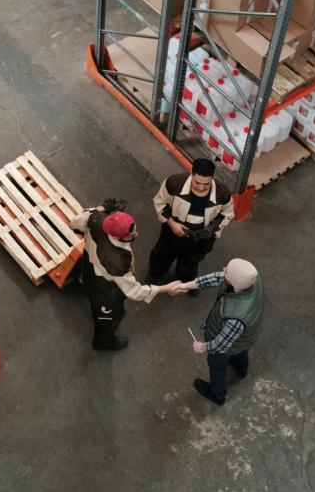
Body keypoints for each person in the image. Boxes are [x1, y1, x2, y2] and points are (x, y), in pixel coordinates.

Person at [71, 200, 182, 351]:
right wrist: (164, 288)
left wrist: (101, 208)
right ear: (117, 237)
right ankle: (103, 342)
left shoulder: (96, 218)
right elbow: (135, 291)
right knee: (109, 318)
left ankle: (96, 314)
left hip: (89, 272)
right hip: (106, 291)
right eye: (131, 235)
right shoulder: (116, 263)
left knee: (93, 299)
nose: (136, 234)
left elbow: (75, 222)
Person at [180, 258, 264, 406]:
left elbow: (221, 345)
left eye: (227, 271)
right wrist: (185, 286)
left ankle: (217, 394)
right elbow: (218, 277)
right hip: (246, 338)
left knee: (217, 366)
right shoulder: (253, 279)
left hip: (228, 344)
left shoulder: (235, 318)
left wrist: (203, 346)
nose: (224, 269)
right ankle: (241, 370)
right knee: (240, 351)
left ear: (234, 283)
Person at [146, 158, 234, 294]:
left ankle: (187, 282)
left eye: (206, 184)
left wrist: (213, 228)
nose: (201, 187)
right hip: (172, 233)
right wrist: (172, 223)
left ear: (212, 177)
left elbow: (227, 213)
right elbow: (160, 203)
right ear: (191, 174)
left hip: (200, 238)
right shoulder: (174, 184)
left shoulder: (223, 194)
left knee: (191, 263)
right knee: (162, 254)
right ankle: (155, 275)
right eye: (197, 182)